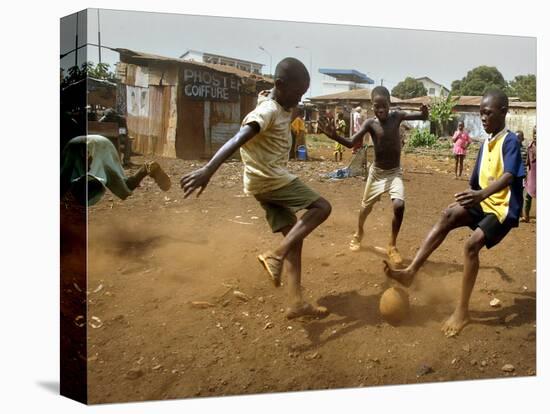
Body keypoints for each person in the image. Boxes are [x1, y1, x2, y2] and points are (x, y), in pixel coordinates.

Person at [180, 58, 331, 320]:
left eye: (303, 95)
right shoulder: (267, 111)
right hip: (272, 180)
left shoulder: (276, 103)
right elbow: (237, 139)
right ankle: (275, 255)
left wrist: (280, 99)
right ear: (280, 85)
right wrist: (208, 170)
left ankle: (296, 301)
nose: (298, 100)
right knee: (322, 207)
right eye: (297, 93)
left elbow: (277, 102)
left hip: (261, 184)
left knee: (294, 237)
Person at [384, 90, 525, 337]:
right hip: (483, 202)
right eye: (481, 112)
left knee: (471, 246)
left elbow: (509, 176)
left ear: (503, 112)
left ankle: (462, 311)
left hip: (502, 209)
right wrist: (468, 197)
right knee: (447, 215)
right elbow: (475, 183)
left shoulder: (510, 141)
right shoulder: (485, 144)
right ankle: (411, 271)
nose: (483, 117)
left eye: (488, 113)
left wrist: (480, 196)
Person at [319, 86, 428, 265]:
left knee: (399, 205)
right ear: (372, 106)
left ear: (390, 104)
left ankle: (392, 245)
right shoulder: (370, 124)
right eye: (376, 106)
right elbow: (350, 143)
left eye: (383, 105)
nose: (380, 110)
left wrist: (424, 112)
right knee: (365, 210)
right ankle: (359, 233)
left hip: (394, 173)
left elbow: (422, 118)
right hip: (376, 174)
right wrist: (335, 136)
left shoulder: (397, 116)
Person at [61, 135, 171, 206]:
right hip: (103, 142)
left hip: (82, 148)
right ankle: (146, 168)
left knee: (76, 188)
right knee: (125, 188)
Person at [521, 125, 536, 222]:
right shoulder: (530, 146)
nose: (536, 135)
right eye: (534, 133)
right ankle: (526, 216)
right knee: (527, 196)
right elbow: (527, 162)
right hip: (532, 175)